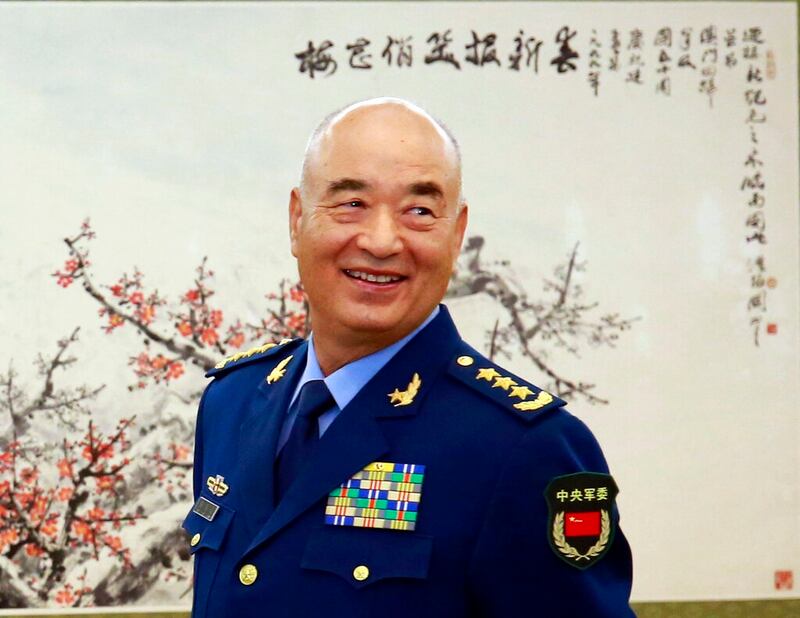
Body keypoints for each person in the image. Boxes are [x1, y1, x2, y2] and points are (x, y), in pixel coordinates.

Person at [183, 97, 634, 617]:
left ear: (457, 233)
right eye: (351, 203)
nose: (380, 241)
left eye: (419, 211)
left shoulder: (525, 448)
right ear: (296, 220)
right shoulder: (233, 401)